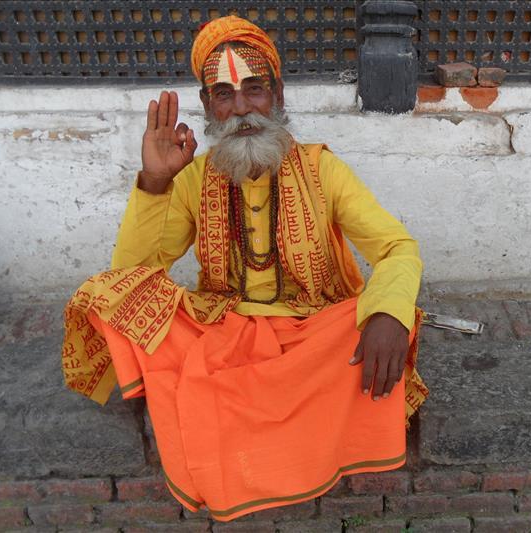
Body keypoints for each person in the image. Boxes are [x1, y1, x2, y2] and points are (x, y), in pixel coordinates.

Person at [61, 16, 427, 522]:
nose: (240, 109)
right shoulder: (193, 179)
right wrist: (154, 183)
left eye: (253, 90)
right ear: (208, 105)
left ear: (277, 94)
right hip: (222, 330)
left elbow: (397, 248)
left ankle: (215, 405)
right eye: (224, 95)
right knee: (107, 294)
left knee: (385, 320)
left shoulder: (322, 168)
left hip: (310, 332)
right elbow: (134, 274)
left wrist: (388, 313)